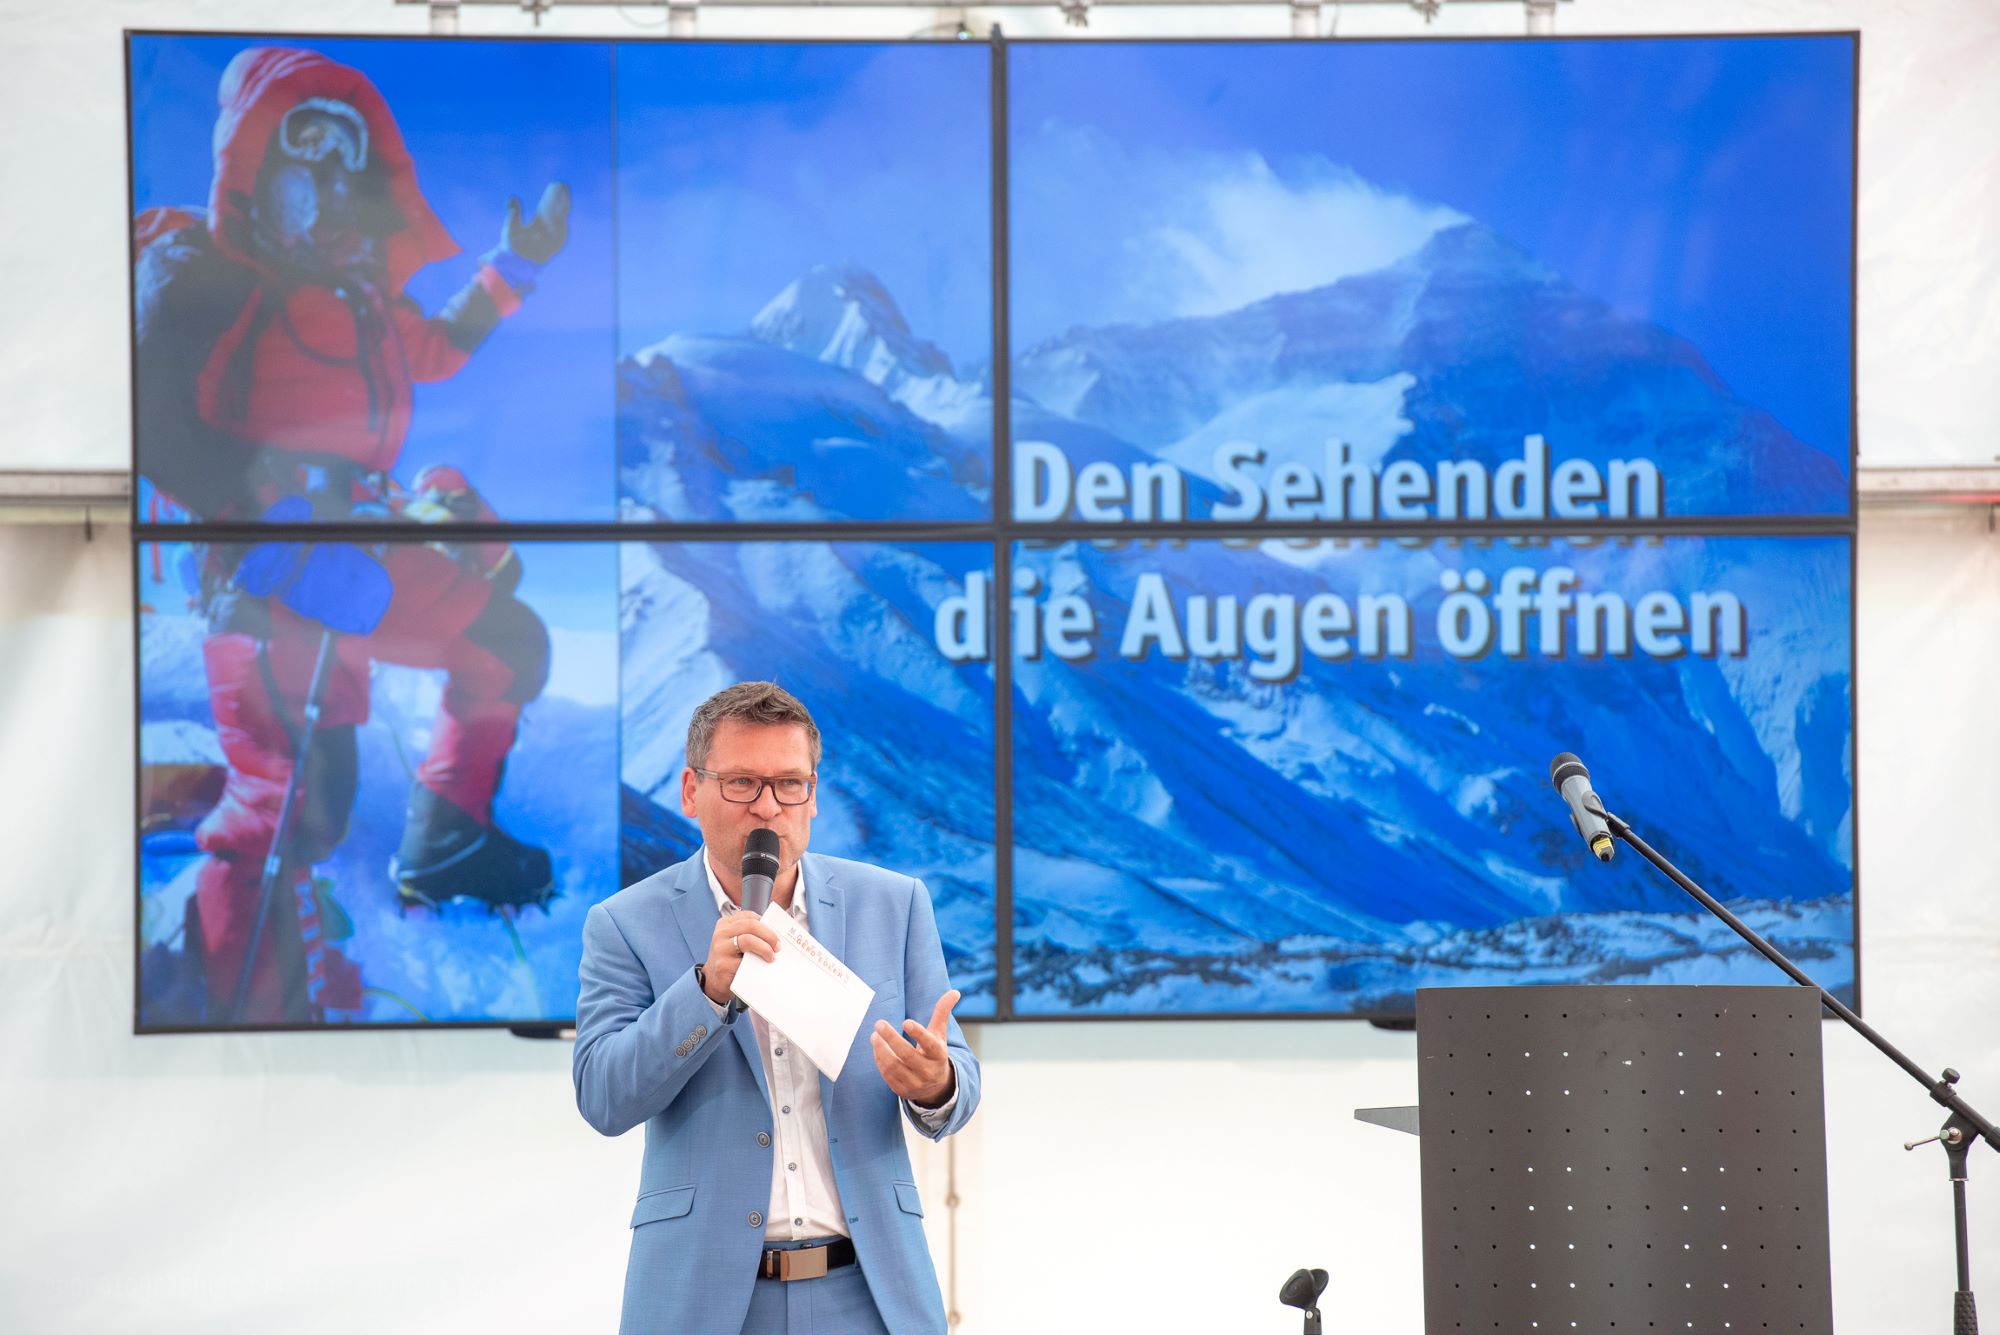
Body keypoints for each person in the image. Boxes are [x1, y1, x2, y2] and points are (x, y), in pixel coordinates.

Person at [132, 46, 570, 1020]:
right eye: (305, 156)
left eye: (348, 164)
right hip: (270, 572)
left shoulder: (362, 299)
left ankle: (445, 844)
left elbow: (438, 348)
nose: (331, 185)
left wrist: (514, 267)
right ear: (253, 167)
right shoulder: (220, 278)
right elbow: (157, 422)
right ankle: (228, 1001)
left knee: (505, 641)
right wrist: (268, 531)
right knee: (294, 802)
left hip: (358, 554)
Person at [574, 682, 979, 1335]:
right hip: (704, 1296)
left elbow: (956, 1079)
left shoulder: (894, 904)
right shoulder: (625, 923)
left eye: (790, 784)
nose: (767, 806)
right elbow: (603, 1097)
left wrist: (937, 1084)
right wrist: (705, 992)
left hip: (868, 1291)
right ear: (690, 791)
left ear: (813, 796)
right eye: (742, 783)